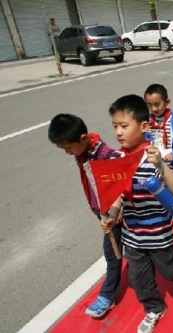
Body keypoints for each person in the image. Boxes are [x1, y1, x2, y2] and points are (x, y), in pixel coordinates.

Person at [103, 95, 173, 333]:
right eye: (115, 126)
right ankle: (154, 308)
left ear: (143, 126)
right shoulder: (117, 159)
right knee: (139, 279)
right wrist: (113, 214)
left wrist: (161, 165)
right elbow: (118, 194)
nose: (118, 132)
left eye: (124, 126)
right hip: (133, 237)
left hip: (159, 234)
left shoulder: (153, 157)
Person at [48, 114, 122, 319]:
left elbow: (121, 186)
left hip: (116, 212)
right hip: (100, 210)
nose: (67, 153)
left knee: (114, 254)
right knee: (120, 251)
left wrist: (118, 212)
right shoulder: (83, 150)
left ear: (82, 138)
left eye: (68, 148)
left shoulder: (107, 156)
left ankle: (107, 296)